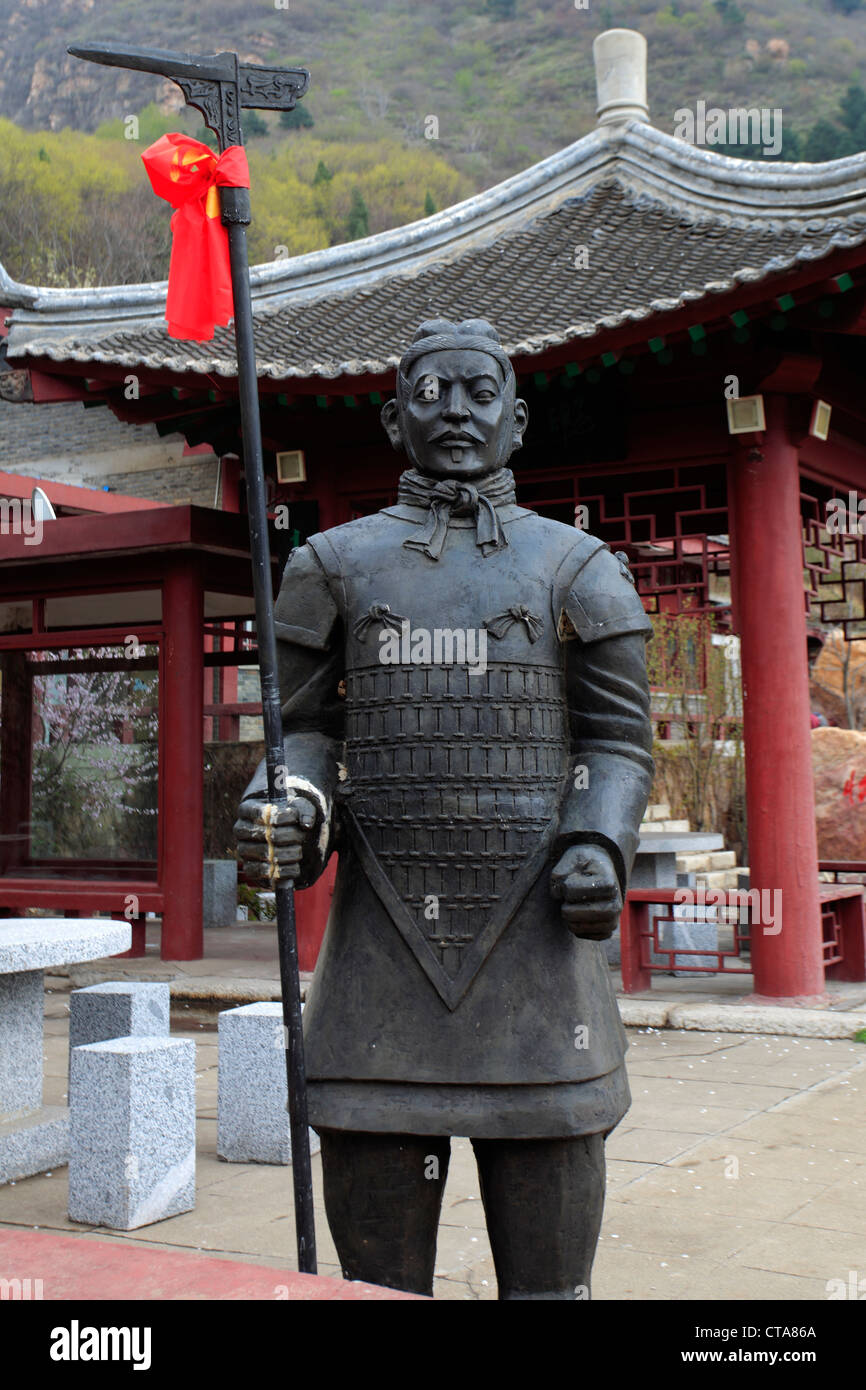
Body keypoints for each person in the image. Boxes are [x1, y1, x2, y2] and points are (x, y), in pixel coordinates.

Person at [235, 318, 654, 1299]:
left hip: (540, 965)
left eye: (478, 392)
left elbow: (616, 742)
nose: (456, 411)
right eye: (432, 393)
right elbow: (295, 729)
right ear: (393, 418)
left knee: (549, 1291)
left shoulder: (575, 566)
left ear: (516, 418)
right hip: (381, 955)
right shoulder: (331, 565)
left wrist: (596, 839)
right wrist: (286, 801)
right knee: (378, 1290)